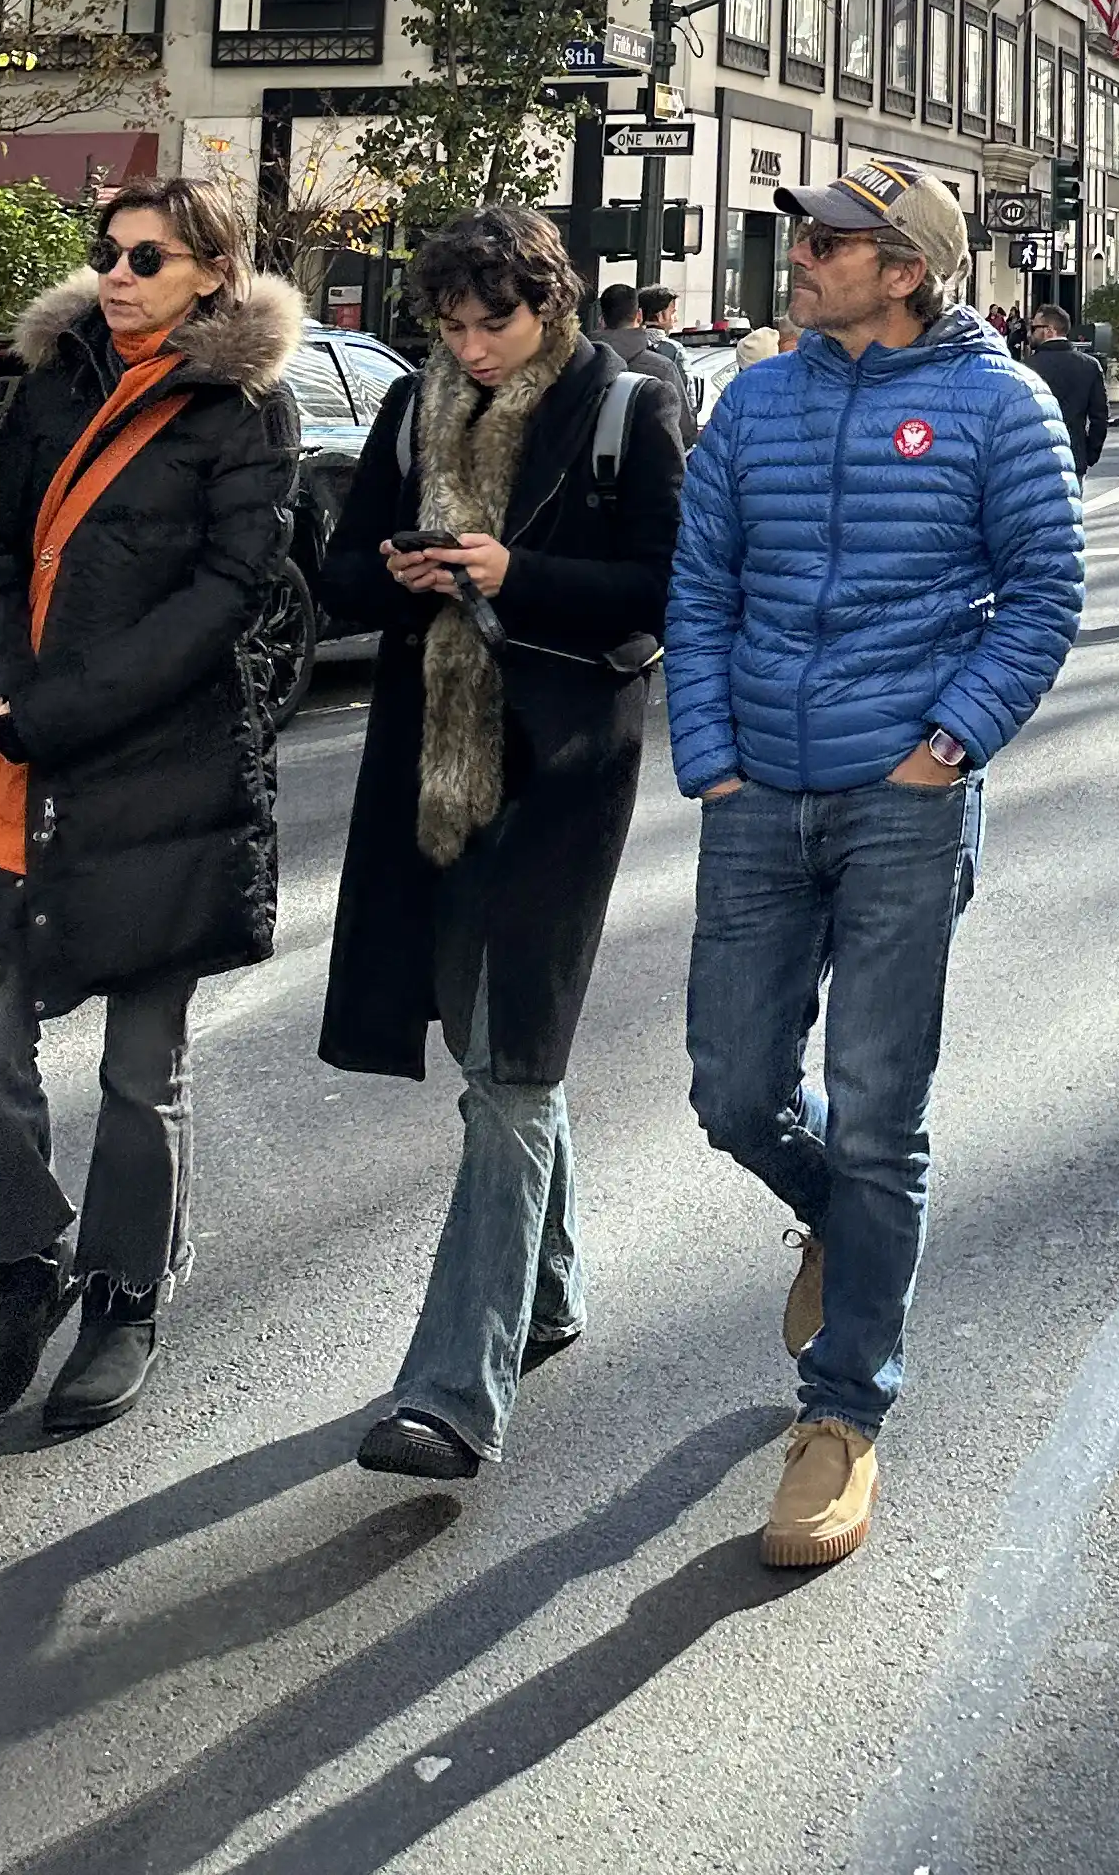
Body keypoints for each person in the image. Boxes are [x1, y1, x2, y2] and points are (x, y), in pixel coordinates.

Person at [670, 158, 1085, 1569]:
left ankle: (841, 1416)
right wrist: (712, 754)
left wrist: (947, 748)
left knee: (876, 1108)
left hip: (905, 795)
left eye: (832, 240)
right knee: (731, 1090)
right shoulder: (756, 397)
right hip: (757, 796)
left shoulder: (999, 404)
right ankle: (837, 1228)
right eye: (807, 236)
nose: (803, 253)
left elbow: (1043, 597)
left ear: (904, 270)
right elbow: (702, 583)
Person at [319, 208, 689, 1482]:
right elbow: (339, 581)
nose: (473, 347)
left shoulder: (622, 412)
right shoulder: (410, 410)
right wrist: (401, 572)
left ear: (553, 306)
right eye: (455, 325)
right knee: (497, 1050)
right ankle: (546, 1294)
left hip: (567, 771)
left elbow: (669, 585)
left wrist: (511, 573)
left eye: (498, 321)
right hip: (433, 770)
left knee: (513, 1067)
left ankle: (452, 1395)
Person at [0, 175, 301, 1434]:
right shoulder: (57, 379)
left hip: (162, 779)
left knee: (144, 1069)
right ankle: (23, 1267)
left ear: (213, 271)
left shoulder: (247, 410)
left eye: (151, 255)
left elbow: (223, 601)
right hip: (15, 763)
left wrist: (59, 712)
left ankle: (125, 1295)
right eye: (112, 251)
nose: (121, 272)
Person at [599, 281, 699, 448]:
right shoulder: (663, 366)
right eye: (672, 312)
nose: (676, 318)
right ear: (639, 315)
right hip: (646, 466)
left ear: (601, 320)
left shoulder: (577, 363)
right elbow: (684, 430)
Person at [1022, 303, 1109, 482]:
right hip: (1074, 456)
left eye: (1034, 327)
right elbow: (1100, 416)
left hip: (1035, 459)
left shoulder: (1026, 369)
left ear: (1049, 330)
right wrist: (1090, 453)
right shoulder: (1089, 365)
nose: (1030, 333)